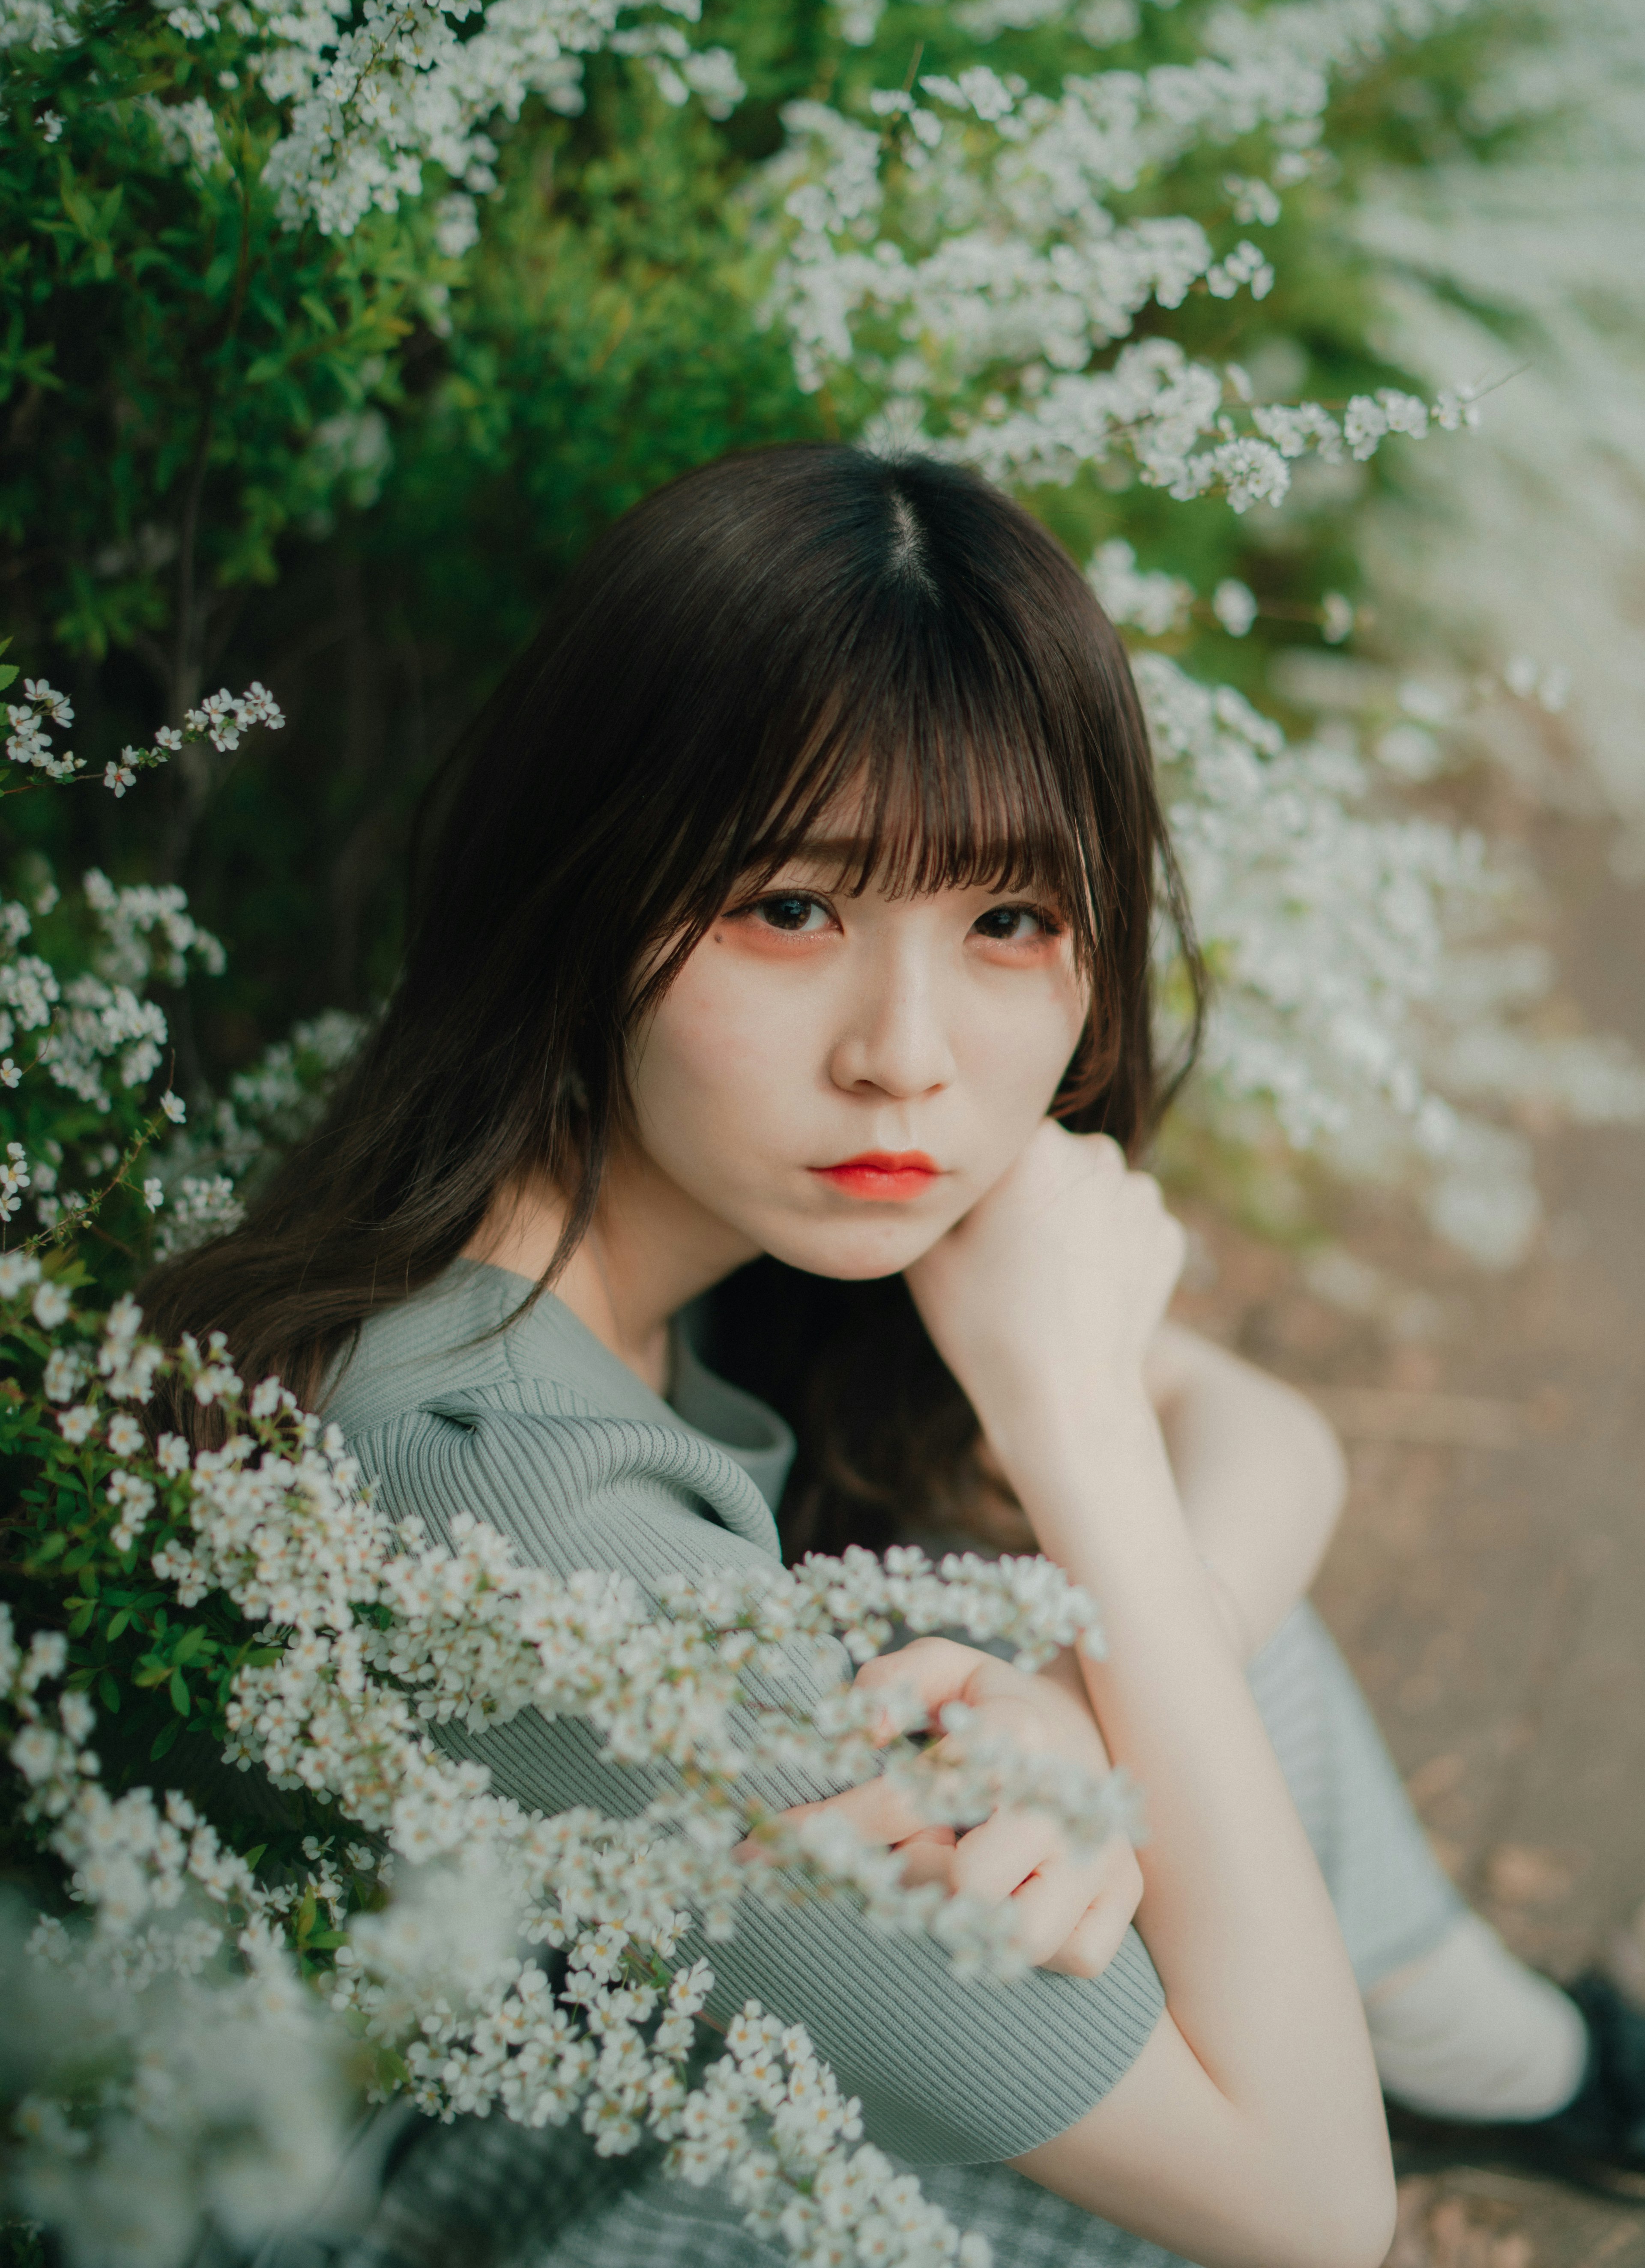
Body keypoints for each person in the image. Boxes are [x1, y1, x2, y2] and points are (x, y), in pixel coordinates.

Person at [144, 445, 1645, 2268]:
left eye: (1009, 920)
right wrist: (1081, 1425)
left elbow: (1263, 1433)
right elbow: (1318, 2214)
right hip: (497, 2210)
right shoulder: (494, 1468)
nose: (907, 1056)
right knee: (1118, 1605)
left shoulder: (640, 1235)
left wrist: (1091, 1711)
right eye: (792, 908)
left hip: (632, 2041)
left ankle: (1503, 2054)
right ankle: (1499, 2060)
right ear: (586, 889)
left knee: (1121, 1622)